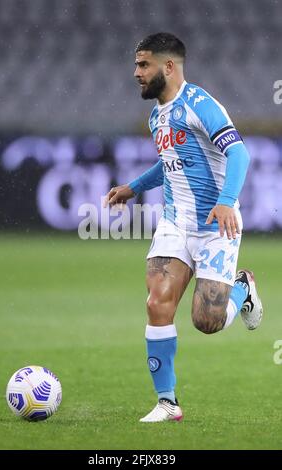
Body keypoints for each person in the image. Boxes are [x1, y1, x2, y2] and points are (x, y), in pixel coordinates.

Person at [104, 32, 263, 423]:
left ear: (168, 67)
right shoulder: (157, 116)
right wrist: (132, 188)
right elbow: (169, 162)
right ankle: (167, 403)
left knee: (206, 322)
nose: (136, 73)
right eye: (136, 65)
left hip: (214, 225)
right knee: (157, 302)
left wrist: (226, 201)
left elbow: (238, 152)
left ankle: (242, 288)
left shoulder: (201, 105)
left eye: (144, 65)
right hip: (175, 223)